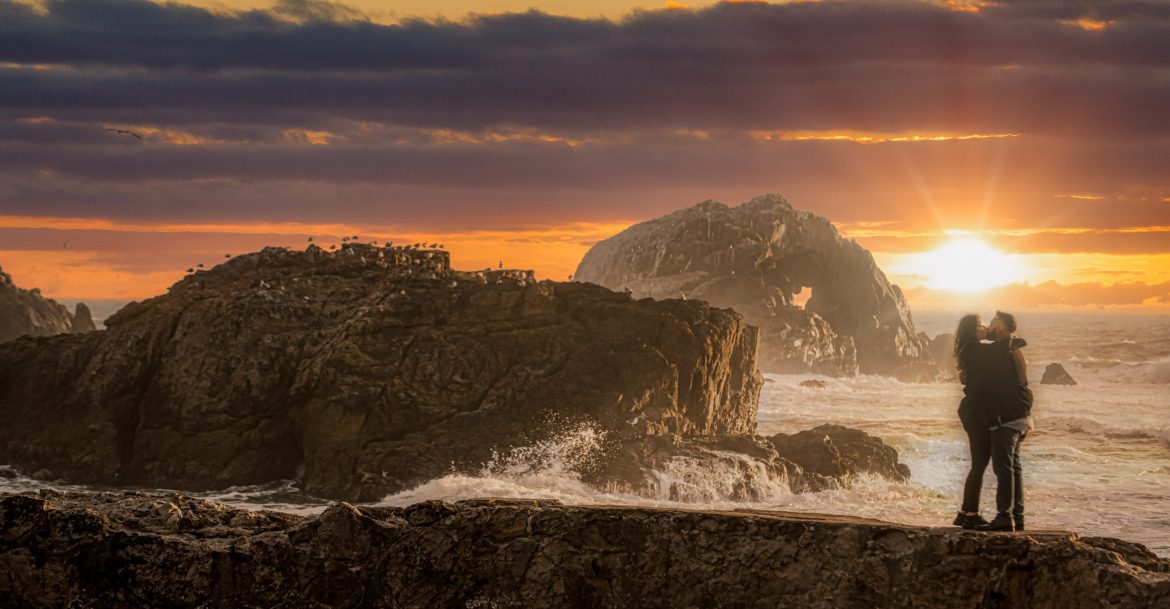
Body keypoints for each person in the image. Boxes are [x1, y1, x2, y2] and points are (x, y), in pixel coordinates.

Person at [976, 311, 1034, 532]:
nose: (989, 327)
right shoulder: (1013, 349)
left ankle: (1003, 517)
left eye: (992, 324)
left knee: (1004, 468)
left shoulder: (1003, 352)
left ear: (1000, 329)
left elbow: (992, 383)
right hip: (1019, 414)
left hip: (1006, 417)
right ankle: (1017, 517)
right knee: (1014, 467)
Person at [952, 314, 993, 529]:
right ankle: (971, 513)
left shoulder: (968, 349)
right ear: (971, 329)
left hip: (971, 411)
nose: (984, 327)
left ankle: (964, 512)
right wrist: (998, 335)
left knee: (977, 463)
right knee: (979, 463)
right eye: (980, 325)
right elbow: (1000, 348)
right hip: (976, 413)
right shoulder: (976, 349)